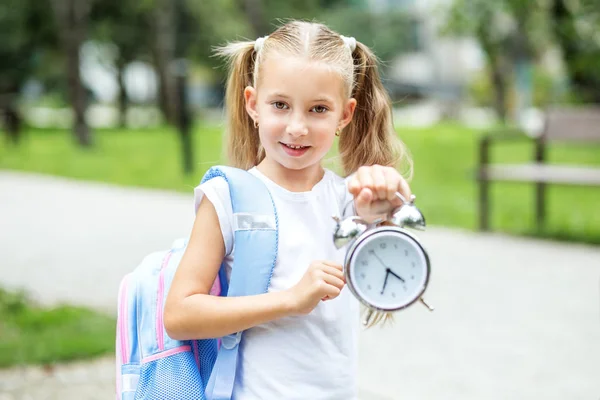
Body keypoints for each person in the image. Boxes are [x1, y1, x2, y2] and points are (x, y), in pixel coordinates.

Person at [164, 19, 413, 400]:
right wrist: (290, 300)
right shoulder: (226, 198)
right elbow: (179, 315)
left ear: (344, 115)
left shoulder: (348, 198)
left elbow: (393, 267)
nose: (297, 127)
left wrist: (384, 202)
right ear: (253, 105)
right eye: (280, 105)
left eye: (318, 109)